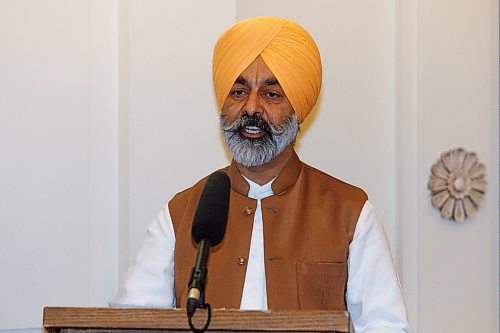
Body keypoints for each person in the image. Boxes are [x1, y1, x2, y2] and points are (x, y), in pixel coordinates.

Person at [115, 16, 412, 333]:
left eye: (271, 94)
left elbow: (386, 326)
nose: (252, 108)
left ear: (297, 109)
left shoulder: (350, 212)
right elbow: (131, 322)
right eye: (239, 91)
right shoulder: (183, 212)